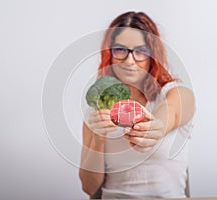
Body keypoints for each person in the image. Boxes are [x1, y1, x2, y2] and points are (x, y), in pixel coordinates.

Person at [79, 11, 195, 199]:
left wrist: (156, 127)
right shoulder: (97, 109)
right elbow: (89, 188)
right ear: (110, 52)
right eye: (120, 50)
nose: (129, 60)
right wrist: (98, 140)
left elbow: (171, 112)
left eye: (141, 51)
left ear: (153, 55)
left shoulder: (176, 93)